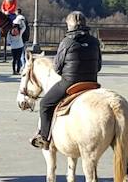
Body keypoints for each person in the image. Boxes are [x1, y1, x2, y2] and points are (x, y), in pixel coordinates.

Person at [31, 11, 102, 149]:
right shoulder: (94, 42)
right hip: (92, 83)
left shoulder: (67, 42)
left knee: (45, 104)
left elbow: (57, 68)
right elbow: (98, 66)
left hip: (70, 83)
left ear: (69, 26)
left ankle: (44, 138)